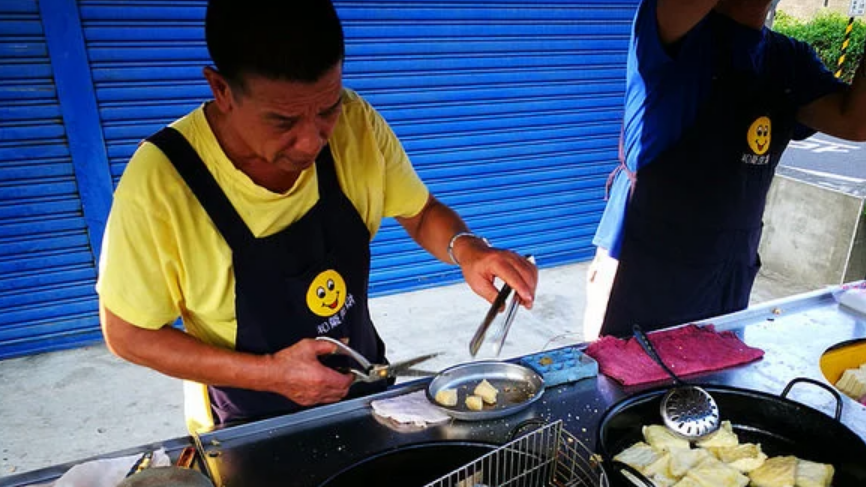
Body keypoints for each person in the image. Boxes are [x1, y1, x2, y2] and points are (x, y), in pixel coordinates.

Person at [96, 0, 537, 432]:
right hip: (248, 428)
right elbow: (128, 334)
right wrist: (270, 372)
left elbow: (420, 213)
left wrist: (468, 250)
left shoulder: (357, 126)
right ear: (222, 90)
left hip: (365, 393)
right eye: (283, 121)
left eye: (327, 109)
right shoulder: (161, 182)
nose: (311, 142)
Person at [584, 0, 866, 339]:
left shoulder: (789, 60)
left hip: (728, 267)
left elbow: (861, 122)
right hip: (644, 263)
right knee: (621, 385)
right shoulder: (673, 27)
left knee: (713, 382)